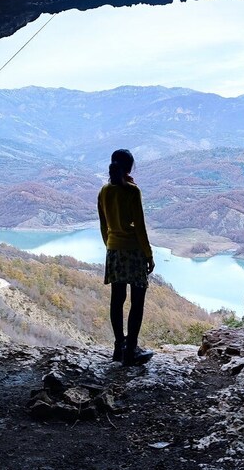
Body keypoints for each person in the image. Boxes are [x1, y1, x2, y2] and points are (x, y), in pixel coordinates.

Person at [97, 149, 155, 366]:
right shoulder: (132, 191)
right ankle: (131, 350)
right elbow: (139, 226)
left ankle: (118, 348)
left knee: (117, 300)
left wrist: (111, 246)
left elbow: (104, 225)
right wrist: (148, 254)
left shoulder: (104, 191)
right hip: (133, 250)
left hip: (114, 250)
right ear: (130, 167)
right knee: (137, 301)